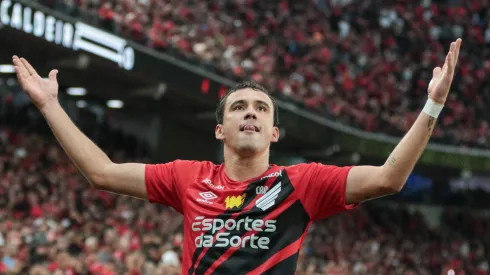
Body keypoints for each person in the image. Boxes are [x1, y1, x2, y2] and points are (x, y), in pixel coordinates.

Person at [11, 38, 462, 275]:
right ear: (220, 129)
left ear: (274, 132)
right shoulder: (187, 177)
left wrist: (433, 106)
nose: (250, 113)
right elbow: (101, 172)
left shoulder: (302, 184)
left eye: (261, 109)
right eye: (240, 108)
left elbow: (389, 178)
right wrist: (50, 104)